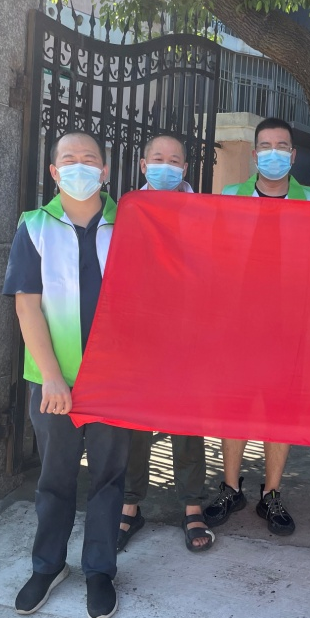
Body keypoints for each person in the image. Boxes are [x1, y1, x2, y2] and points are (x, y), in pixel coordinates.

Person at [4, 132, 130, 618]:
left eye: (90, 159)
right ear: (55, 172)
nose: (80, 166)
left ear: (104, 171)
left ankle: (99, 569)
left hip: (114, 381)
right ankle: (48, 565)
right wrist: (53, 377)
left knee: (108, 477)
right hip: (52, 380)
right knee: (55, 477)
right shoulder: (35, 226)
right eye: (69, 159)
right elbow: (27, 306)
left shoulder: (130, 225)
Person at [206, 118, 310, 536]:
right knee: (234, 406)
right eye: (266, 147)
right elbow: (214, 254)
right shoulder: (229, 196)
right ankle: (230, 487)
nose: (274, 153)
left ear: (293, 155)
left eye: (282, 146)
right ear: (255, 156)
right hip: (239, 321)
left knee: (280, 409)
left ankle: (271, 493)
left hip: (290, 323)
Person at [117, 134, 213, 553]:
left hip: (189, 330)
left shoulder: (206, 210)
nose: (166, 166)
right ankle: (130, 504)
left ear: (185, 169)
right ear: (143, 165)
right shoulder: (127, 208)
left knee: (187, 420)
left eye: (175, 160)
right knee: (135, 421)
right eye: (158, 158)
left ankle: (192, 505)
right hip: (139, 331)